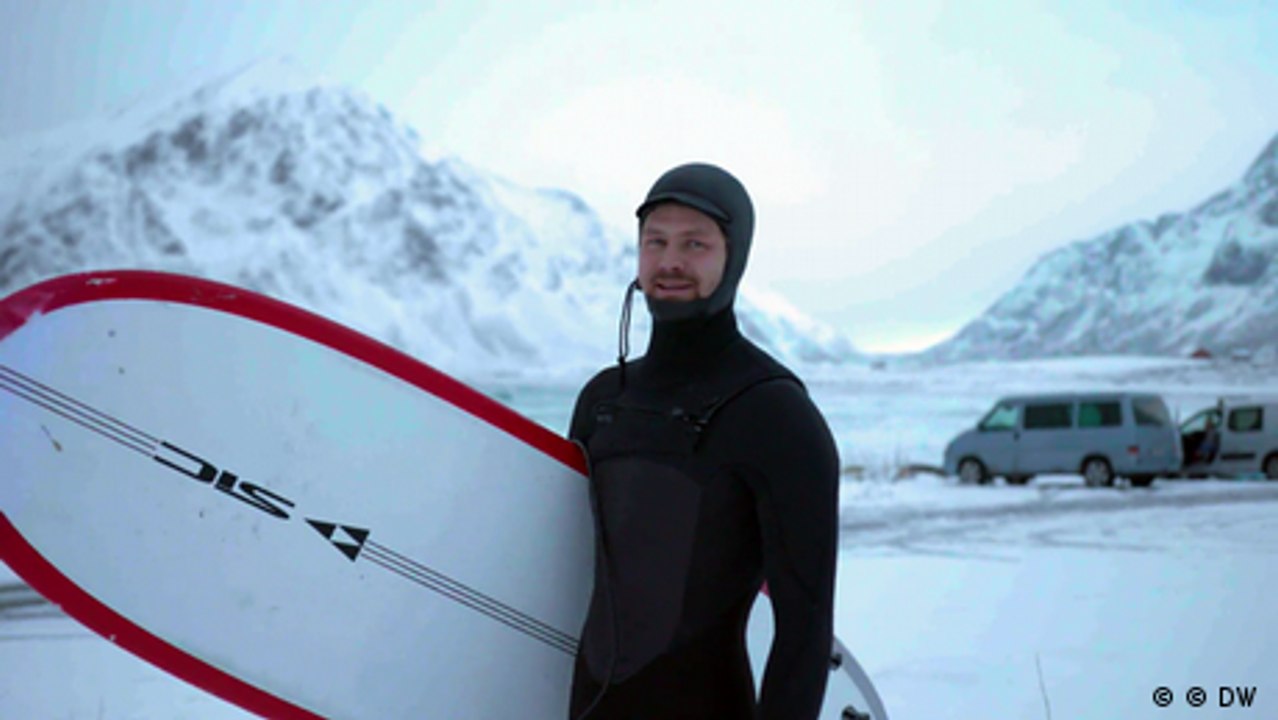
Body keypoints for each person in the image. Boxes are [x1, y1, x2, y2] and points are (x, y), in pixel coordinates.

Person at [567, 162, 840, 720]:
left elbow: (804, 629)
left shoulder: (775, 412)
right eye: (656, 241)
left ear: (734, 257)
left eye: (695, 244)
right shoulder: (603, 400)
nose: (670, 261)